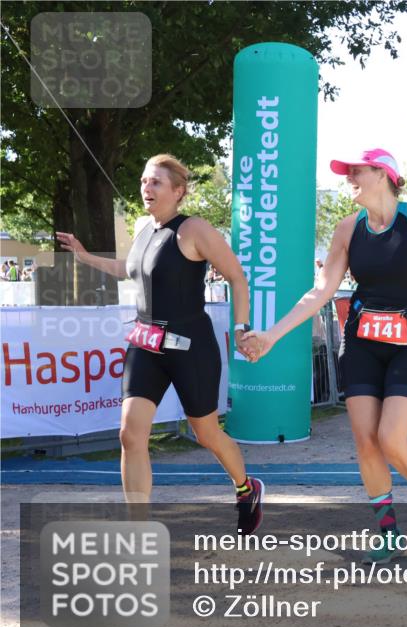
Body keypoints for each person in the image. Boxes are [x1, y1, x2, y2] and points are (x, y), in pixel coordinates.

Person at [242, 148, 407, 563]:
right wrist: (273, 335)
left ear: (383, 175)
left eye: (356, 171)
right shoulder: (348, 229)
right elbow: (321, 290)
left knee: (391, 439)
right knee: (366, 442)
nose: (348, 178)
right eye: (347, 173)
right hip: (361, 343)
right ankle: (388, 531)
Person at [55, 154, 263, 532]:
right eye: (143, 181)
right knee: (130, 434)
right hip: (146, 343)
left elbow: (237, 277)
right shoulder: (142, 227)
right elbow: (128, 269)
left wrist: (242, 328)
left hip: (190, 346)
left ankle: (246, 488)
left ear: (178, 191)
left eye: (155, 182)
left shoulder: (194, 229)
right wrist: (84, 255)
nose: (146, 188)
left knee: (206, 434)